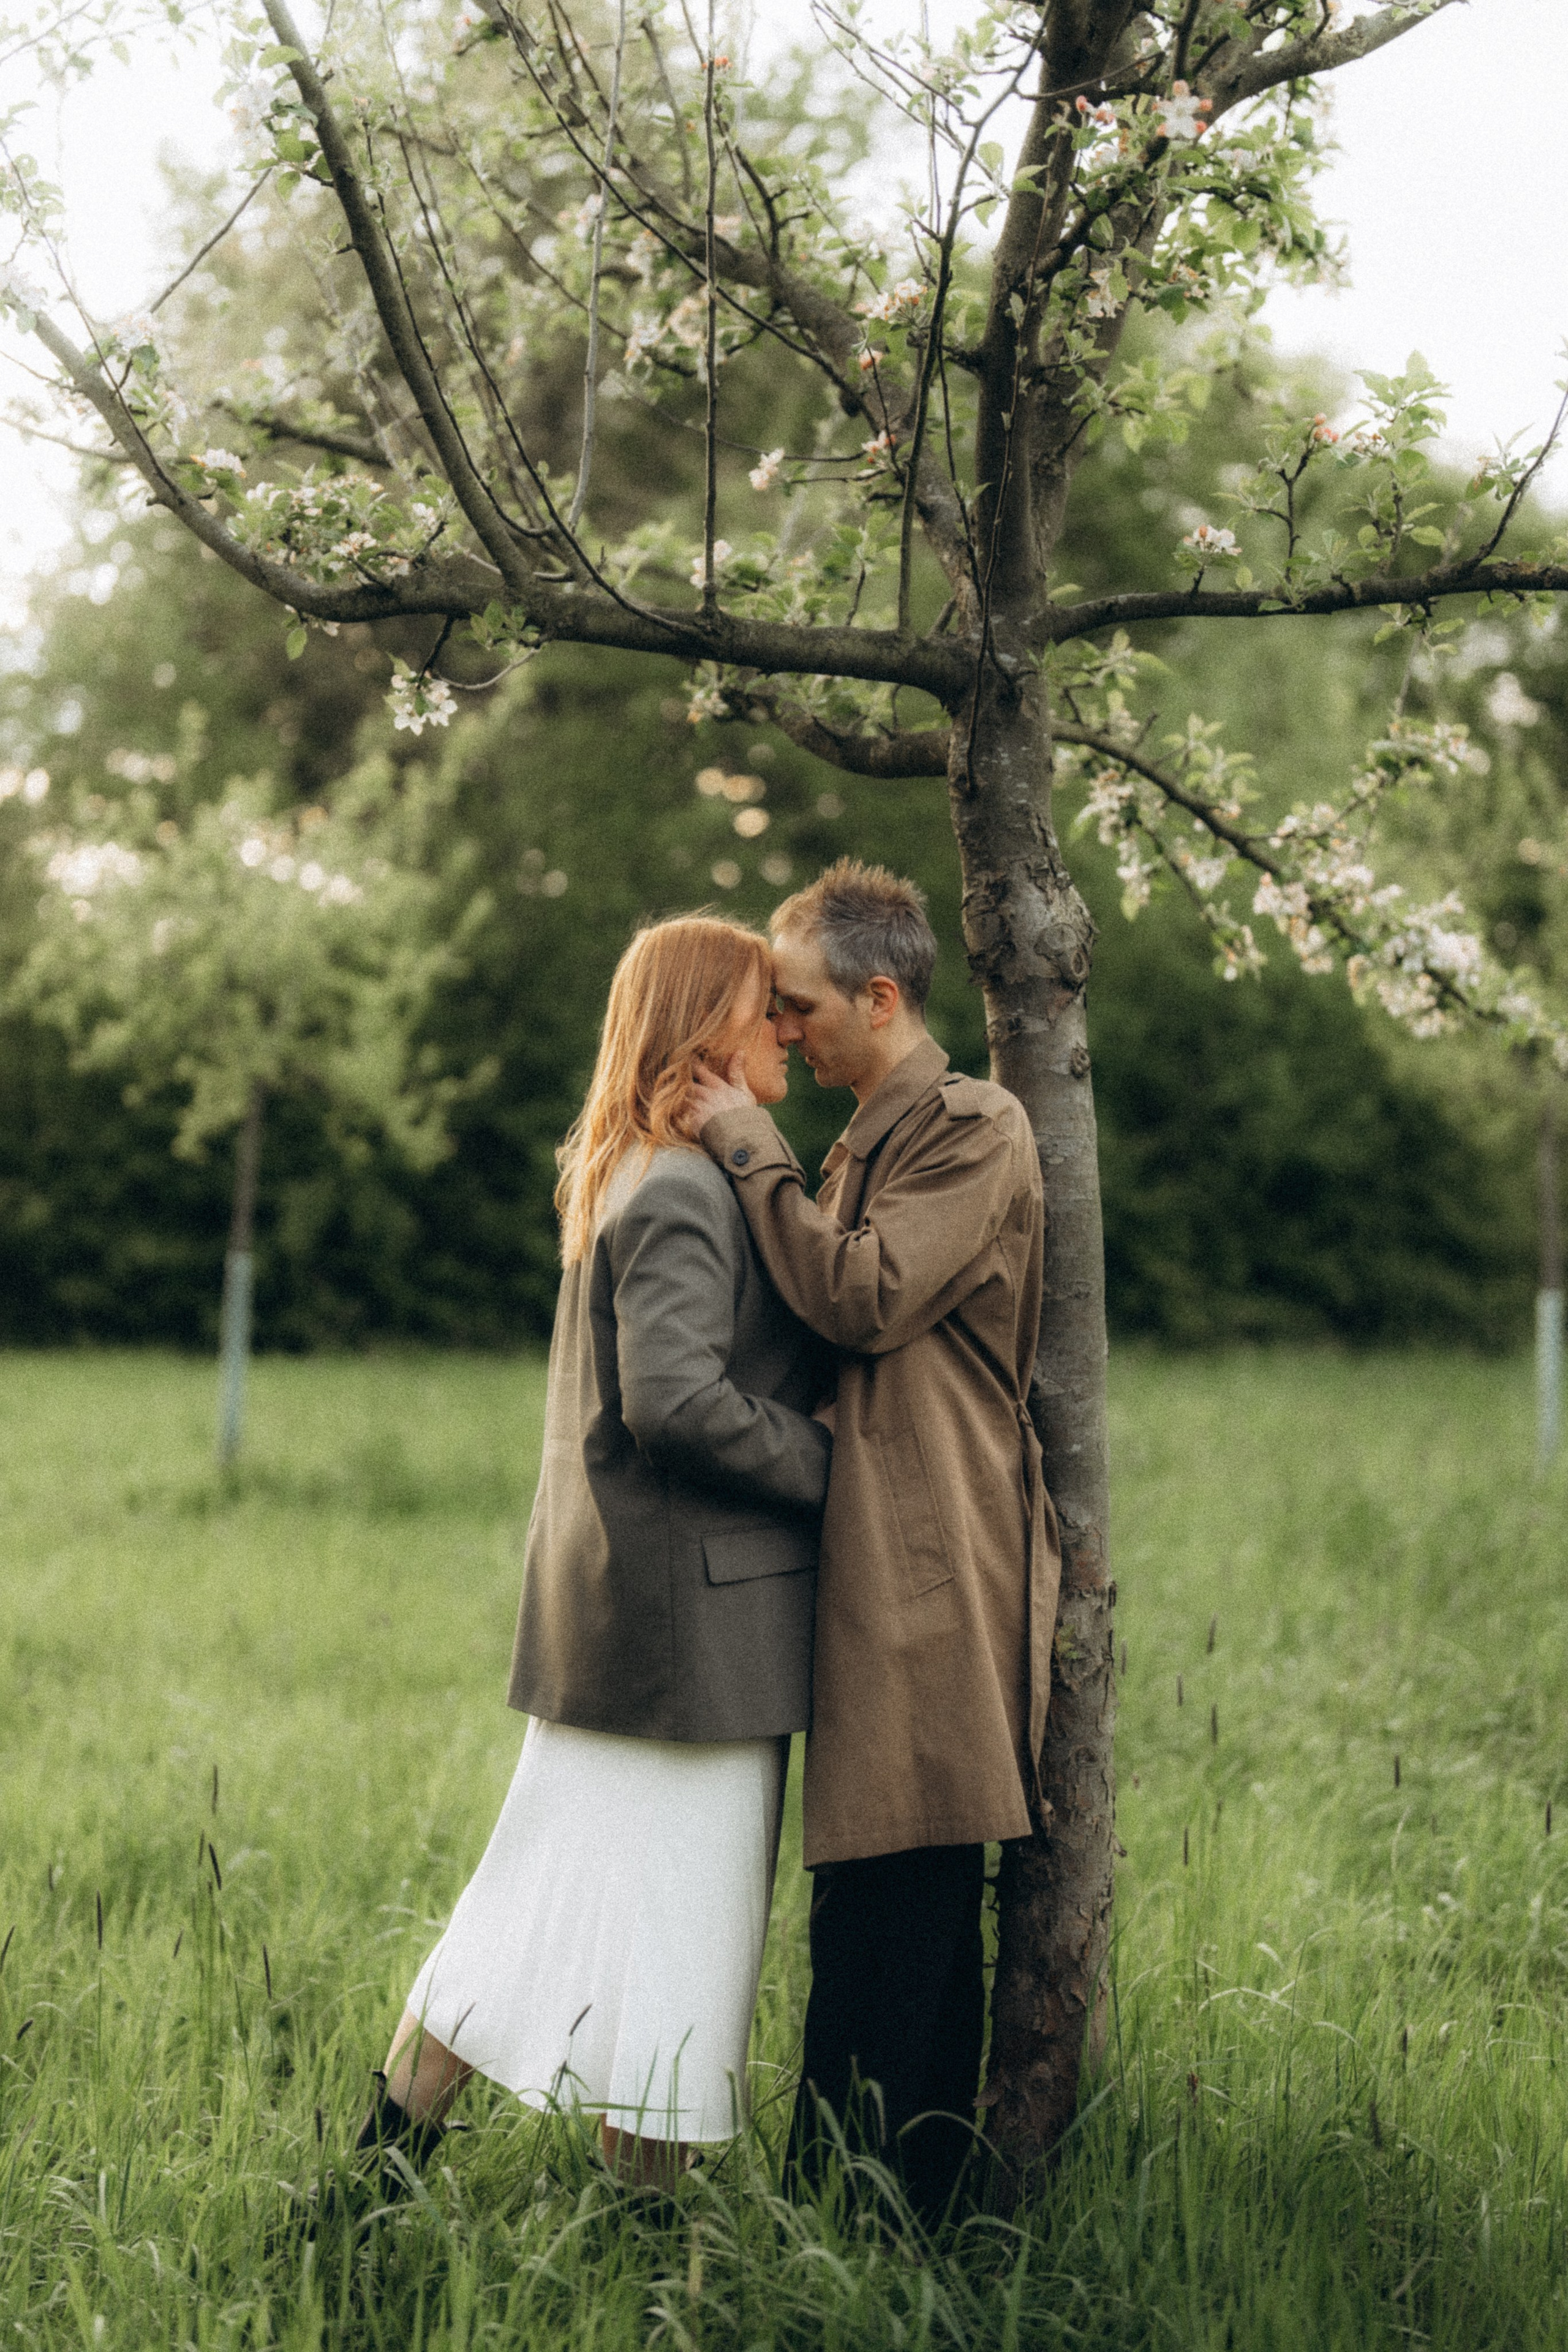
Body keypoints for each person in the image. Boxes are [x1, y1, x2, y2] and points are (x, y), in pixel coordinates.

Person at [349, 915, 832, 2198]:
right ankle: (625, 2244)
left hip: (630, 1630)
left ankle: (383, 2186)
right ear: (700, 1028)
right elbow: (673, 1401)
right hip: (686, 1642)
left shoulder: (635, 1169)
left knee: (542, 1917)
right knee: (674, 1947)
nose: (786, 1025)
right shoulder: (680, 1185)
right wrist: (835, 1469)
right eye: (760, 1008)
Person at [687, 858, 1061, 2226]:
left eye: (795, 1007)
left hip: (931, 1562)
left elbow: (861, 1295)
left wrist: (744, 1147)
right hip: (873, 1556)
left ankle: (868, 2226)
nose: (780, 1032)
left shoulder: (973, 1128)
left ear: (880, 996)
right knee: (875, 1892)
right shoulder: (862, 1140)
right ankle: (868, 2221)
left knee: (901, 1888)